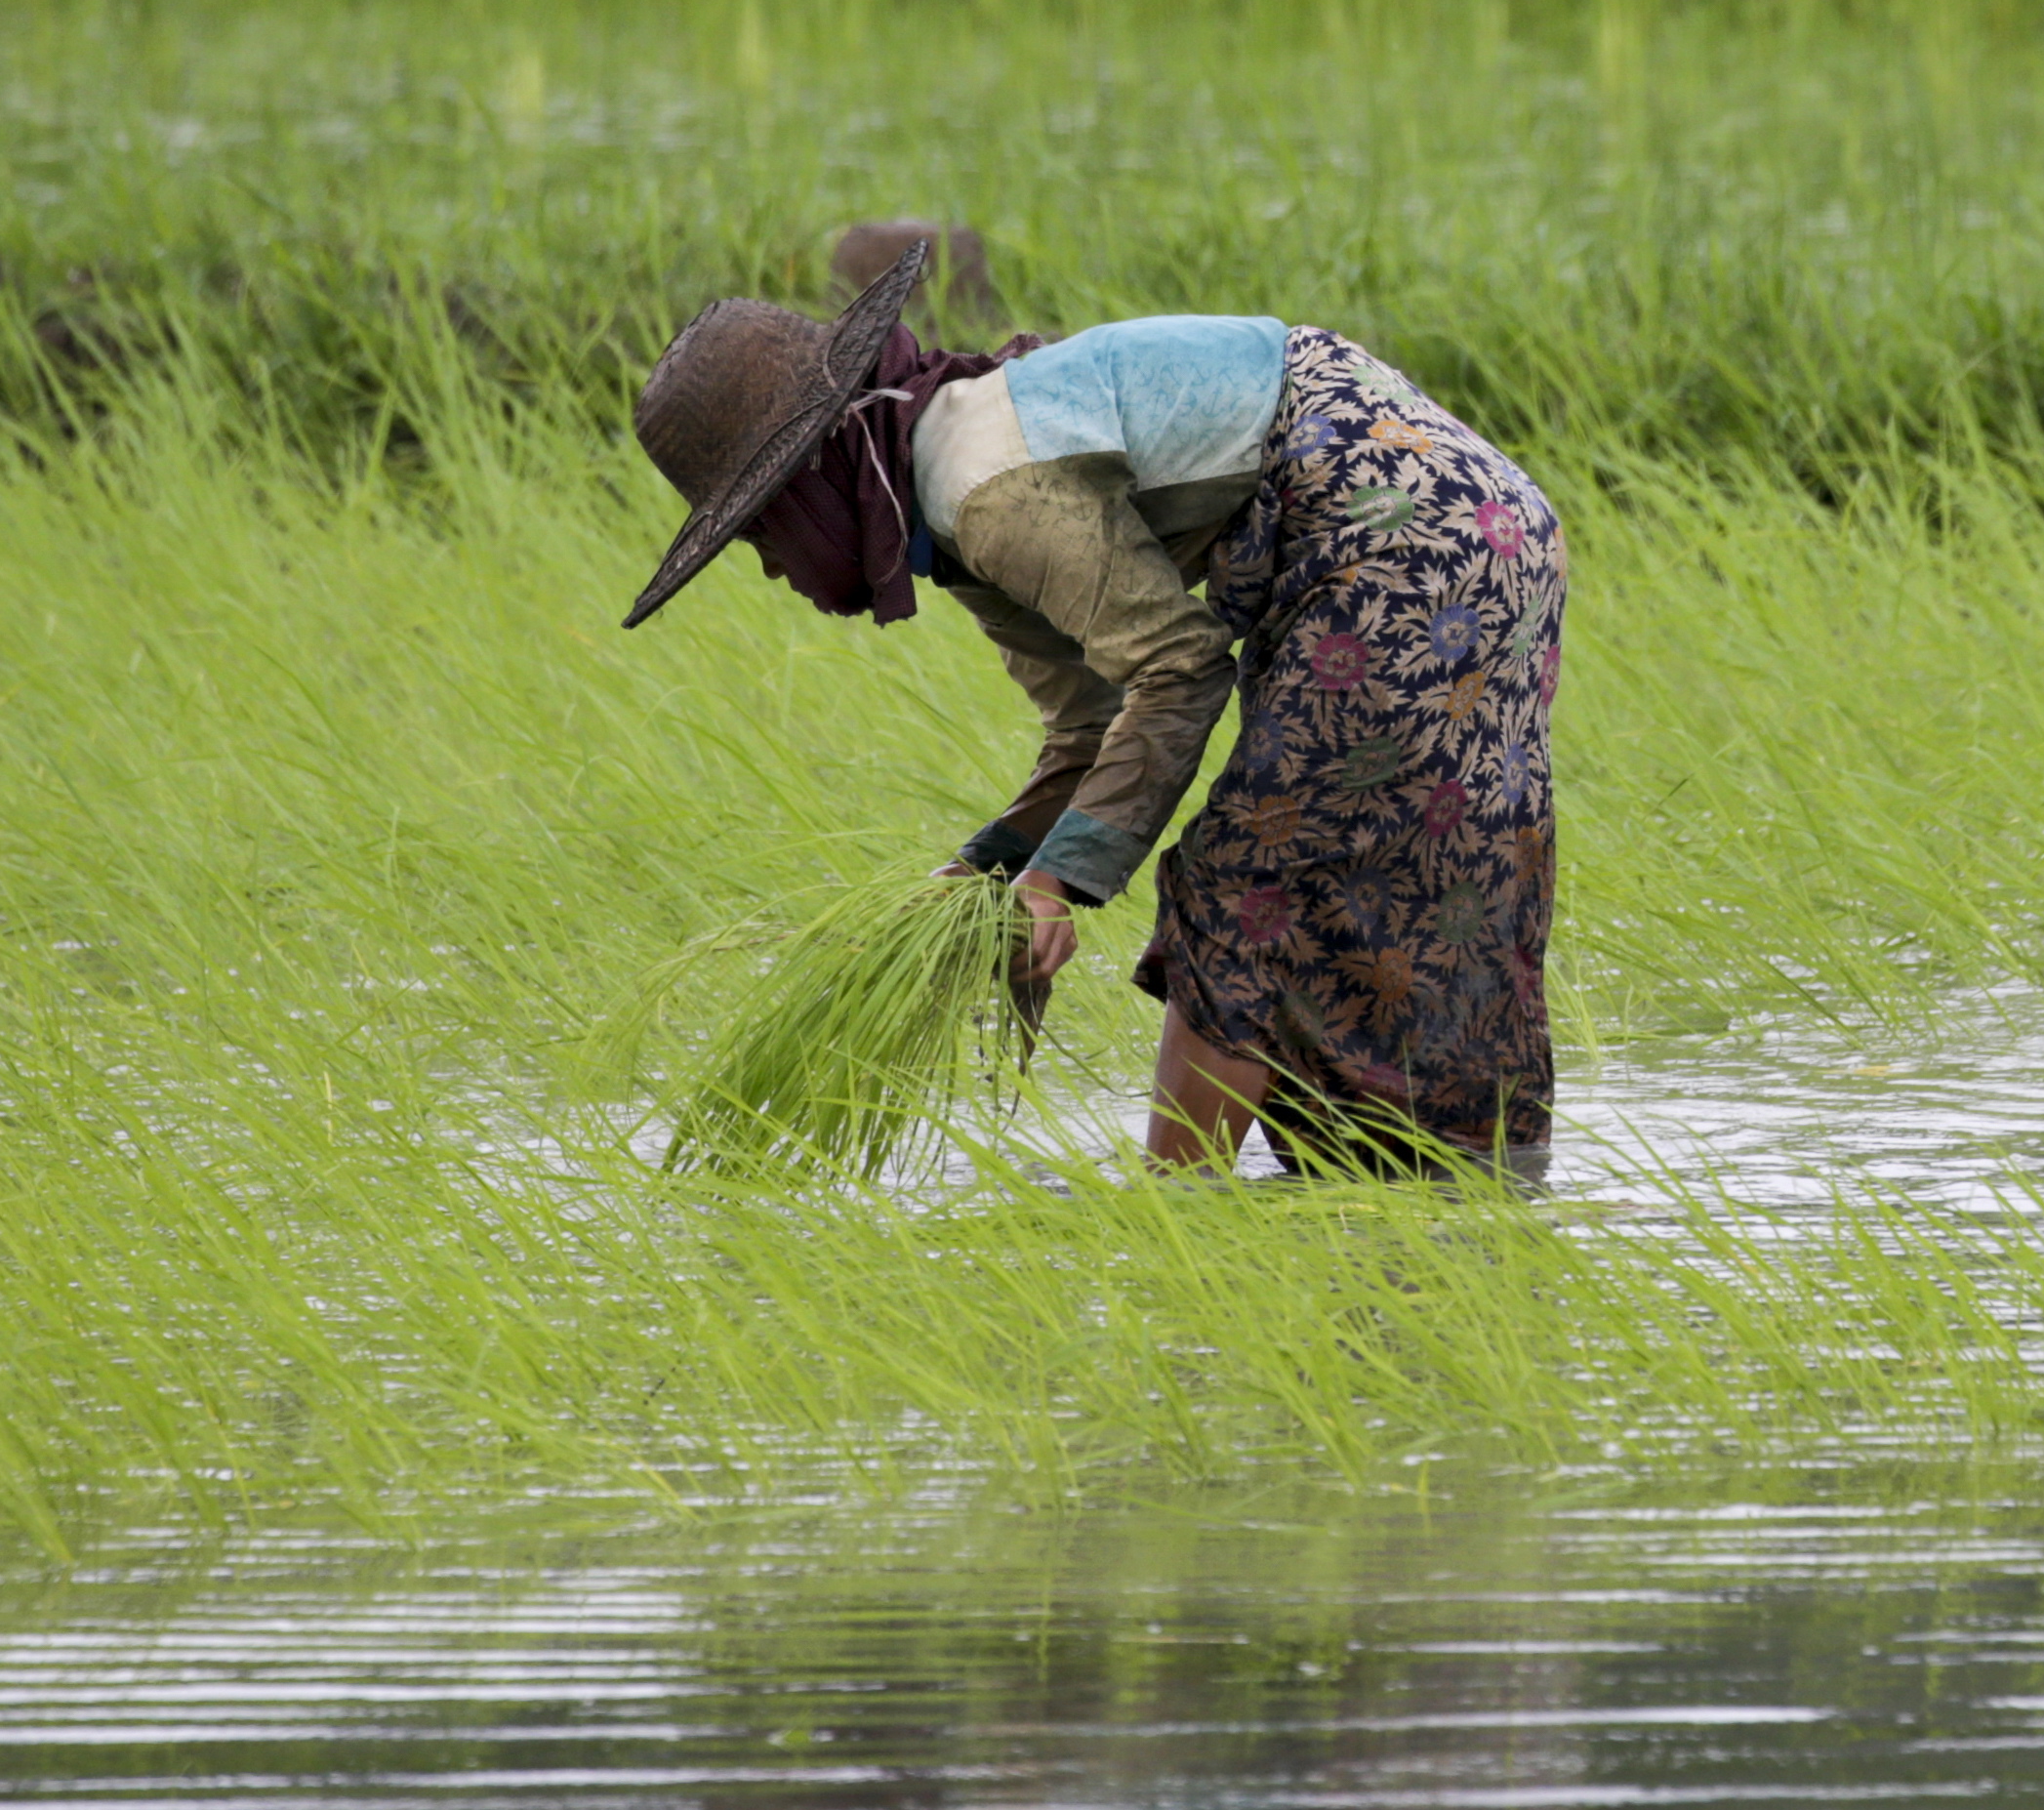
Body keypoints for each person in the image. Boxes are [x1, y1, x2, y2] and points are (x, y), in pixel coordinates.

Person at [619, 237, 1567, 1174]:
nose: (775, 569)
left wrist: (1058, 886)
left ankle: (1174, 1221)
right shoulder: (950, 497)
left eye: (760, 533)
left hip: (1400, 531)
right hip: (1482, 526)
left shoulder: (985, 488)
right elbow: (1091, 727)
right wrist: (983, 873)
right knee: (1416, 891)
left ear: (820, 471)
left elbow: (1179, 673)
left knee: (1244, 889)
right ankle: (1449, 1185)